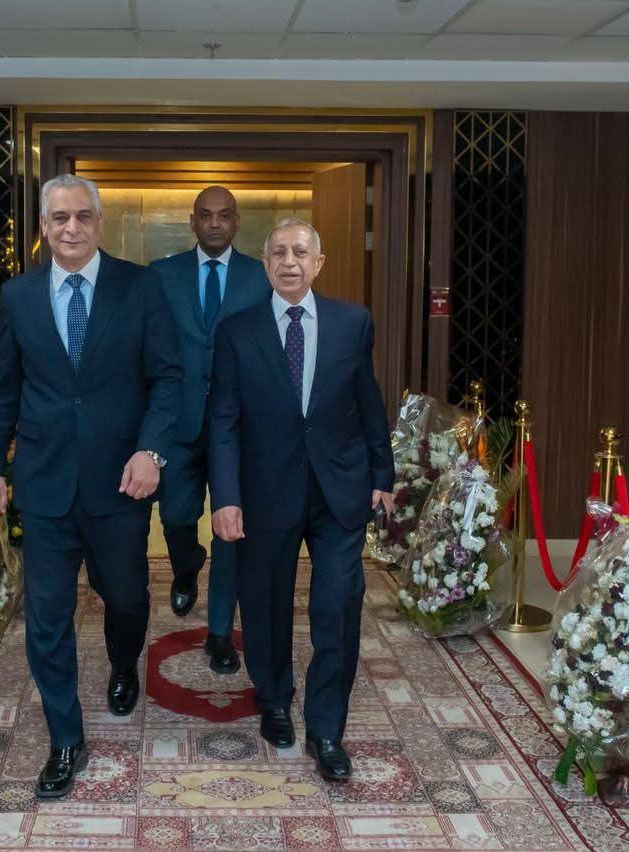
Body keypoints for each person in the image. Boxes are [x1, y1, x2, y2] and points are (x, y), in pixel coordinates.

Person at [0, 174, 182, 799]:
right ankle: (65, 738)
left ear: (99, 222)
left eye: (82, 216)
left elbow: (169, 379)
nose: (71, 228)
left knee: (126, 598)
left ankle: (124, 663)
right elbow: (4, 387)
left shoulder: (140, 287)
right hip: (44, 484)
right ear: (43, 226)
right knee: (47, 615)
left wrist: (151, 451)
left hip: (121, 483)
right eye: (59, 218)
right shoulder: (18, 295)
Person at [208, 218, 394, 782]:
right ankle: (273, 699)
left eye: (300, 252)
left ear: (318, 263)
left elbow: (368, 402)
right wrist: (226, 496)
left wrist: (382, 474)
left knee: (337, 605)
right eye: (279, 253)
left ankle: (326, 729)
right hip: (265, 490)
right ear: (266, 264)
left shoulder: (352, 323)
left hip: (340, 488)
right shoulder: (236, 332)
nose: (290, 262)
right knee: (265, 601)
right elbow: (223, 419)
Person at [149, 185, 270, 674]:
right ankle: (186, 566)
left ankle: (219, 633)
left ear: (236, 222)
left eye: (224, 215)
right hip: (178, 425)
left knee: (230, 532)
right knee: (176, 517)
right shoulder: (161, 276)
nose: (215, 223)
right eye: (205, 215)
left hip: (238, 428)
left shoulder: (261, 277)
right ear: (192, 222)